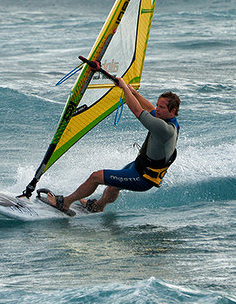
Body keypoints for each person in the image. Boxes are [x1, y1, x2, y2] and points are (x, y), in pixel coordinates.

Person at [42, 66, 180, 214]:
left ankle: (65, 203)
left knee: (96, 177)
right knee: (113, 186)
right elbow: (149, 108)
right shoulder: (168, 120)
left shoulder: (164, 129)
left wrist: (124, 89)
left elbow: (138, 111)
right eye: (158, 105)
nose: (157, 110)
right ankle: (98, 206)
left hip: (142, 178)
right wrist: (133, 92)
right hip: (140, 166)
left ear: (172, 111)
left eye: (162, 107)